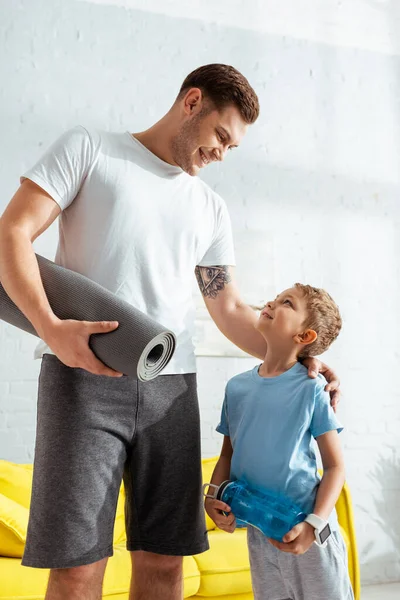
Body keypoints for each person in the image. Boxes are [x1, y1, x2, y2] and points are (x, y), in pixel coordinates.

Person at [0, 65, 340, 600]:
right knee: (77, 567)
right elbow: (13, 232)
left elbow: (228, 308)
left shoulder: (209, 207)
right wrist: (51, 328)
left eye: (233, 146)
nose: (222, 154)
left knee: (164, 563)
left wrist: (303, 362)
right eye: (220, 136)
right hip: (80, 376)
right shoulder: (91, 149)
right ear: (191, 102)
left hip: (171, 391)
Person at [205, 283, 353, 600]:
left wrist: (314, 525)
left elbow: (335, 466)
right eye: (276, 297)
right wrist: (212, 497)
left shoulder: (313, 389)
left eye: (287, 302)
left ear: (304, 337)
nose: (272, 301)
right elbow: (227, 456)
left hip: (307, 528)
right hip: (260, 530)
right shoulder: (236, 388)